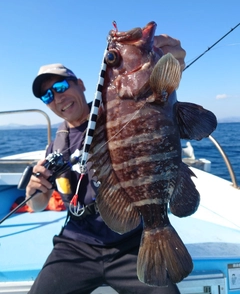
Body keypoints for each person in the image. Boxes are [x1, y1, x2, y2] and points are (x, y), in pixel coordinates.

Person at [27, 34, 186, 294]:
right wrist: (36, 189)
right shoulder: (56, 144)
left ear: (80, 84)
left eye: (60, 87)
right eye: (46, 97)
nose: (56, 98)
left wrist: (169, 65)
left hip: (131, 242)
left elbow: (153, 104)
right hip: (75, 245)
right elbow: (38, 205)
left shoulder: (114, 108)